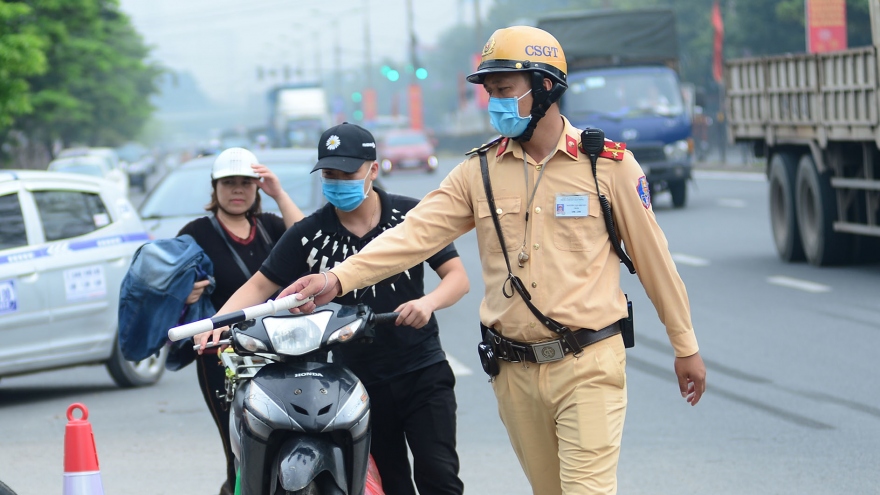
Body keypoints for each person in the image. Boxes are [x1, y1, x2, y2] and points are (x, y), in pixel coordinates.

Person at [279, 26, 707, 495]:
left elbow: (654, 260)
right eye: (490, 92)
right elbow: (413, 235)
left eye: (504, 90)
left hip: (588, 364)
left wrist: (684, 345)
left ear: (544, 87)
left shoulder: (607, 166)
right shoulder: (476, 172)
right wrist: (337, 280)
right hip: (514, 373)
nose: (494, 102)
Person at [197, 122, 470, 495]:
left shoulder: (411, 218)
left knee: (439, 477)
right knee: (390, 482)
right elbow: (260, 286)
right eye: (329, 174)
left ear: (373, 170)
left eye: (347, 173)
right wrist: (215, 323)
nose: (338, 182)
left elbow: (457, 277)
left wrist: (428, 302)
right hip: (353, 381)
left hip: (422, 370)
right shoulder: (309, 233)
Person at [180, 147, 305, 495]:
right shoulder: (195, 233)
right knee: (239, 447)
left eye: (245, 184)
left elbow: (307, 242)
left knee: (285, 436)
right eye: (229, 183)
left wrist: (278, 193)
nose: (237, 190)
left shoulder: (270, 226)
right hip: (221, 353)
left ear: (257, 188)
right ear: (214, 189)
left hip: (276, 347)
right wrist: (186, 294)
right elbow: (169, 285)